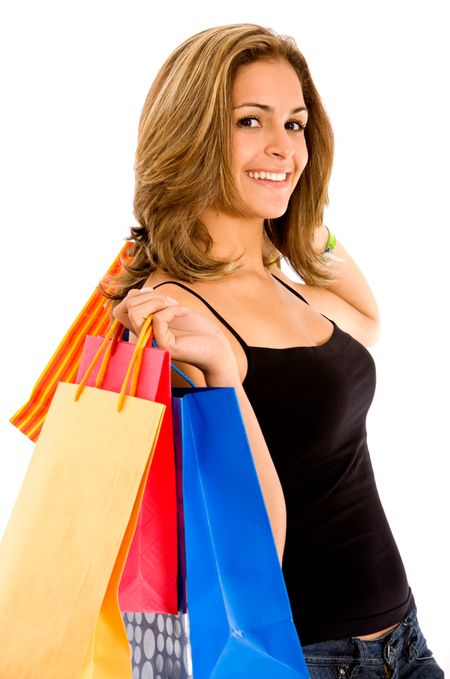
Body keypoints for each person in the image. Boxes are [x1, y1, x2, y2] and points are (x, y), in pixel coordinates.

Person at [106, 23, 444, 678]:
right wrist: (226, 382)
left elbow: (366, 321)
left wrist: (300, 214)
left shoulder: (276, 281)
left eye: (295, 124)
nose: (282, 145)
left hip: (403, 638)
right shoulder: (172, 313)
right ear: (193, 135)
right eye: (250, 121)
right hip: (304, 658)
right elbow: (249, 548)